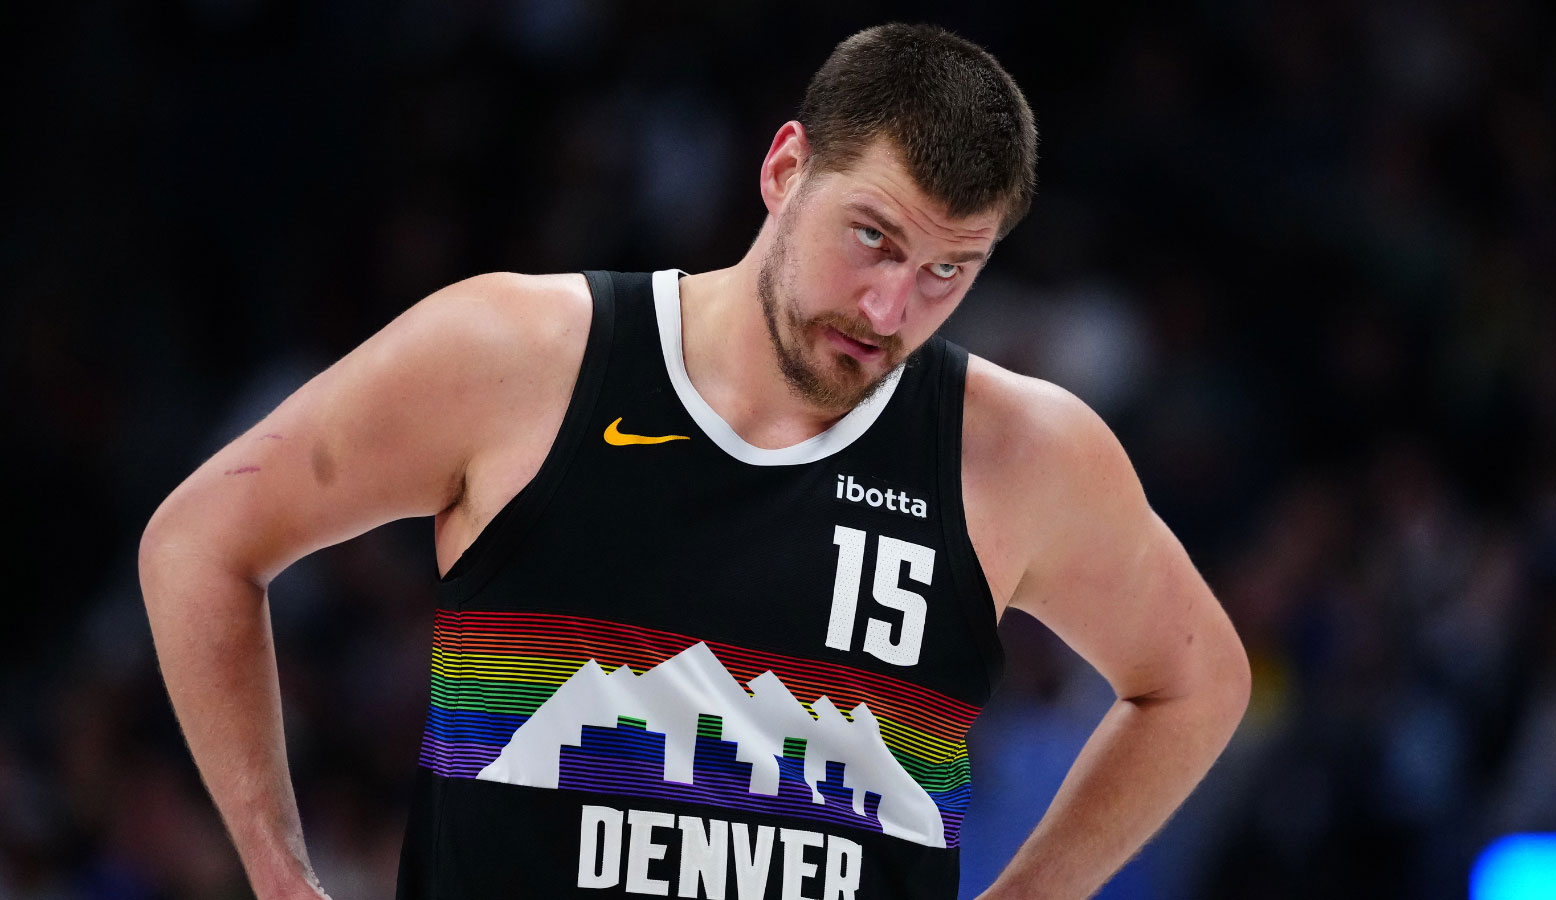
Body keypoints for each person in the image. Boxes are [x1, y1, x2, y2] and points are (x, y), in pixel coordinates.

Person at [139, 22, 1250, 900]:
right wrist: (279, 873)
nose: (887, 306)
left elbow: (1199, 681)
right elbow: (201, 541)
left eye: (946, 271)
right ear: (783, 169)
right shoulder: (517, 356)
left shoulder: (1019, 453)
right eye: (872, 235)